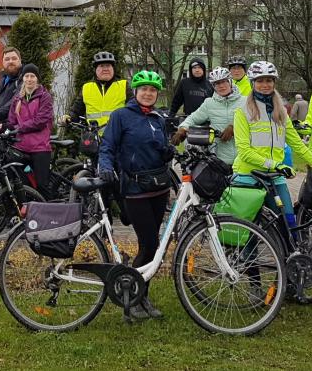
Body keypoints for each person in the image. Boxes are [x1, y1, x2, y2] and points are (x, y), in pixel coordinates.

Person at [232, 60, 312, 304]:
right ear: (253, 83)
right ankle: (255, 287)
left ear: (274, 83)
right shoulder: (242, 110)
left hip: (275, 178)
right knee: (250, 235)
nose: (265, 85)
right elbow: (243, 150)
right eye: (260, 81)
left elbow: (298, 144)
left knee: (289, 230)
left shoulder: (281, 111)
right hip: (249, 178)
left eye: (269, 80)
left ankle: (291, 286)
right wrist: (274, 165)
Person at [97, 69, 172, 321]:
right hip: (135, 188)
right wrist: (105, 167)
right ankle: (133, 294)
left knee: (152, 246)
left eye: (153, 90)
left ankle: (141, 295)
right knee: (149, 243)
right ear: (136, 92)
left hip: (159, 187)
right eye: (144, 89)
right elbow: (107, 146)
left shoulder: (158, 118)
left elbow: (160, 147)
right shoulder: (121, 116)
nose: (148, 93)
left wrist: (167, 152)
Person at [171, 67, 241, 165]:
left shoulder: (245, 101)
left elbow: (255, 122)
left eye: (224, 81)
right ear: (213, 86)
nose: (221, 86)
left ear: (230, 82)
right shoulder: (209, 103)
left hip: (243, 158)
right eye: (217, 83)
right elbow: (192, 118)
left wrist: (235, 127)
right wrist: (182, 129)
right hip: (219, 159)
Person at [6, 64, 54, 193]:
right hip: (21, 147)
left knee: (42, 186)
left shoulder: (45, 96)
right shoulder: (17, 99)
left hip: (40, 147)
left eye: (32, 76)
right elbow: (11, 121)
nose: (29, 79)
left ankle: (47, 204)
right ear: (23, 78)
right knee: (21, 185)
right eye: (26, 76)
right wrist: (3, 128)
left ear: (37, 79)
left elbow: (40, 121)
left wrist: (18, 128)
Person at [64, 51, 131, 134]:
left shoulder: (123, 86)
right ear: (95, 70)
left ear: (113, 69)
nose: (105, 69)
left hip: (118, 136)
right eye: (101, 66)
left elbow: (134, 109)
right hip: (93, 136)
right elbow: (76, 111)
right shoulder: (87, 88)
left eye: (108, 65)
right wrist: (68, 117)